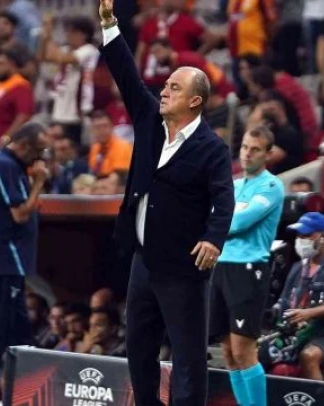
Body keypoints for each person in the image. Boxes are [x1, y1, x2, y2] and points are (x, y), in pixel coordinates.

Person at [98, 0, 236, 404]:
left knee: (188, 357)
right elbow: (126, 73)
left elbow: (224, 197)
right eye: (166, 85)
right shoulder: (148, 120)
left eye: (174, 87)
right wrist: (110, 25)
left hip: (183, 267)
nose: (164, 90)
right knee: (138, 348)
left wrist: (213, 238)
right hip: (143, 260)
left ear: (195, 101)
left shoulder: (212, 148)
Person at [0, 121, 50, 406]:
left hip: (8, 261)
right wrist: (39, 183)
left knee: (21, 332)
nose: (40, 158)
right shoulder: (5, 165)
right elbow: (20, 214)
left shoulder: (10, 166)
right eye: (38, 151)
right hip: (5, 261)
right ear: (24, 145)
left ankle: (26, 393)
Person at [209, 126, 284, 406]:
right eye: (244, 147)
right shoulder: (234, 186)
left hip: (248, 269)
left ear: (268, 154)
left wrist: (218, 223)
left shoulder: (272, 186)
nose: (247, 154)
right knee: (228, 352)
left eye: (255, 149)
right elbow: (211, 216)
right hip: (220, 266)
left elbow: (240, 221)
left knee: (244, 351)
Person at [260, 212, 324, 381]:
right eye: (299, 235)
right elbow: (283, 302)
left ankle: (318, 396)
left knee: (309, 356)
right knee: (255, 351)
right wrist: (271, 314)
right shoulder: (297, 267)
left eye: (306, 235)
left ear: (322, 237)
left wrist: (308, 314)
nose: (300, 240)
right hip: (294, 334)